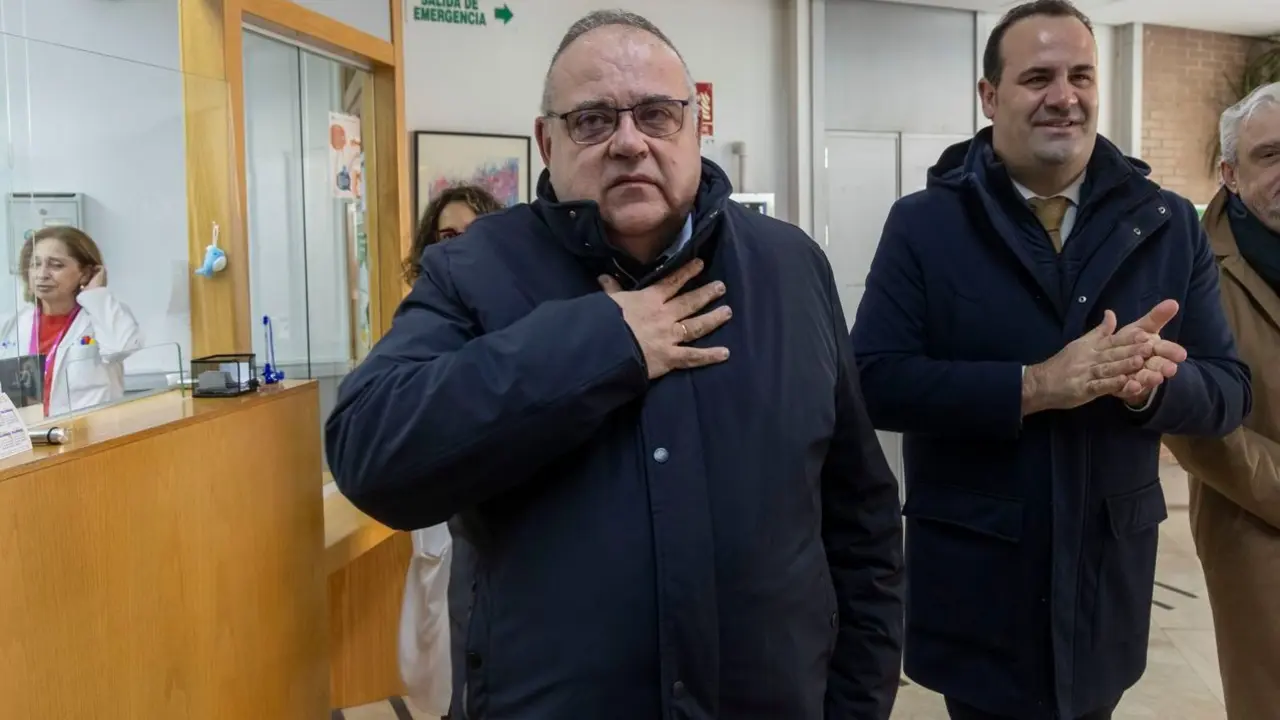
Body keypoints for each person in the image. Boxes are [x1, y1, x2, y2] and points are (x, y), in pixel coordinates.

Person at [326, 9, 903, 720]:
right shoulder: (473, 271)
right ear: (547, 141)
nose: (629, 142)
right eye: (593, 120)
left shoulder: (790, 267)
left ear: (696, 127)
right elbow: (370, 451)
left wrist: (855, 704)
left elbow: (861, 521)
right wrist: (605, 343)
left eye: (656, 115)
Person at [850, 1, 1251, 719]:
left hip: (1105, 581)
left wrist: (1150, 389)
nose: (1063, 96)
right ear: (989, 95)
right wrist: (1032, 387)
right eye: (1037, 77)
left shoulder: (1165, 226)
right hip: (977, 579)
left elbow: (1227, 390)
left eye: (1080, 75)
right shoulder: (925, 224)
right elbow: (874, 380)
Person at [1162, 82, 1280, 719]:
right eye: (1271, 155)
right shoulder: (1193, 264)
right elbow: (1196, 419)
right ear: (1230, 173)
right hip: (1257, 526)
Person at [397, 182, 503, 719]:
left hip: (498, 501)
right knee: (442, 625)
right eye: (446, 236)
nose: (458, 244)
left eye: (472, 233)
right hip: (442, 498)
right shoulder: (420, 320)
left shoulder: (516, 309)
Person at [0, 226, 142, 417]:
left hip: (90, 436)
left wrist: (96, 294)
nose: (42, 274)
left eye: (56, 265)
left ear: (84, 273)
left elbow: (122, 347)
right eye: (35, 264)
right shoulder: (14, 324)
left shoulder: (101, 315)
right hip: (31, 435)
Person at [402, 183, 505, 284]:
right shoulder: (423, 299)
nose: (459, 244)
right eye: (449, 236)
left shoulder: (512, 297)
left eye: (472, 233)